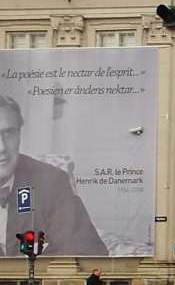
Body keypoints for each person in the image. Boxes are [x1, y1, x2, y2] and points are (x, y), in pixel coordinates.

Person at [0, 96, 107, 257]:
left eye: (9, 133)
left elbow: (89, 253)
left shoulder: (51, 182)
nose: (2, 147)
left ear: (20, 135)